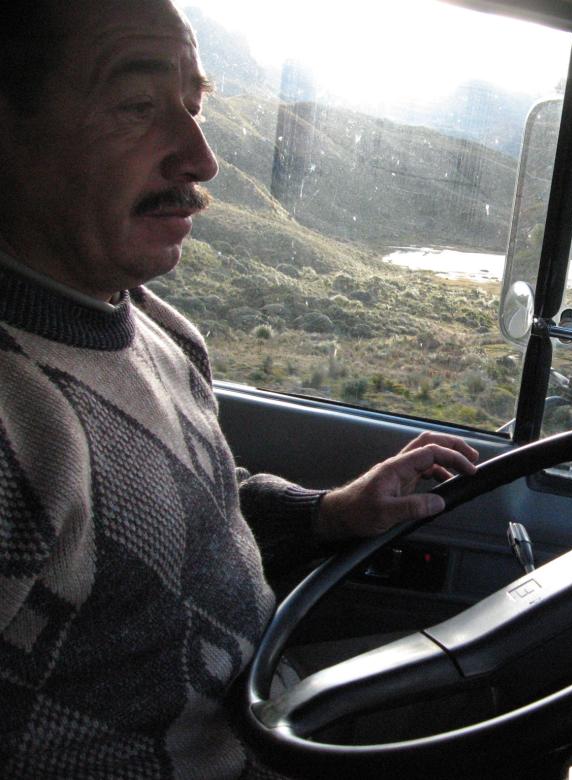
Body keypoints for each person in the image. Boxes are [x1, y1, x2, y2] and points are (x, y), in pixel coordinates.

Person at [0, 0, 478, 776]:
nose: (201, 158)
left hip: (270, 708)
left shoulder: (149, 321)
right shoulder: (16, 419)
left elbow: (190, 504)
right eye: (137, 105)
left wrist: (328, 512)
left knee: (531, 666)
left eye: (193, 107)